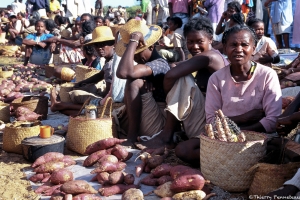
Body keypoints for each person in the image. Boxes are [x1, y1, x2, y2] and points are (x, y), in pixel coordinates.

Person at [135, 17, 229, 165]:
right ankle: (170, 132)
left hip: (214, 123)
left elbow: (171, 75)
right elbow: (177, 65)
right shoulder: (208, 56)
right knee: (179, 73)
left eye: (199, 41)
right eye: (190, 42)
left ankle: (167, 135)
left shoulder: (210, 57)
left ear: (210, 39)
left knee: (181, 78)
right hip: (207, 119)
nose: (194, 46)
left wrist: (169, 96)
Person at [205, 25, 282, 133]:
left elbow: (273, 119)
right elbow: (212, 120)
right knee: (184, 149)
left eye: (244, 45)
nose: (239, 49)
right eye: (233, 45)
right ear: (225, 49)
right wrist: (243, 118)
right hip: (224, 135)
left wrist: (241, 132)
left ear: (253, 49)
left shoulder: (267, 75)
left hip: (259, 135)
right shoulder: (216, 78)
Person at [114, 19, 170, 146]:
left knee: (133, 81)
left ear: (151, 46)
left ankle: (131, 138)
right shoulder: (145, 65)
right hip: (148, 115)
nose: (134, 57)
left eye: (137, 53)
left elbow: (123, 73)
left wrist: (133, 41)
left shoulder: (159, 63)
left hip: (158, 123)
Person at [50, 26, 115, 116]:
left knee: (75, 94)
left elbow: (107, 97)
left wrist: (96, 96)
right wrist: (81, 83)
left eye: (103, 45)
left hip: (110, 101)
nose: (99, 48)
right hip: (107, 96)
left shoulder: (111, 64)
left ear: (112, 44)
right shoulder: (110, 59)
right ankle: (61, 106)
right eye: (97, 45)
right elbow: (100, 75)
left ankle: (60, 105)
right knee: (84, 89)